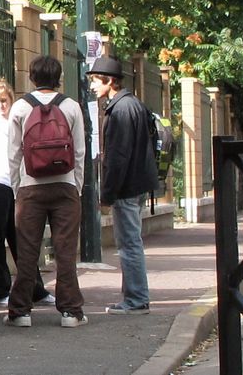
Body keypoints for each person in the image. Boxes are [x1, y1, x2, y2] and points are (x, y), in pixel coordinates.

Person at [3, 55, 87, 328]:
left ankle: (20, 312)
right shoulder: (72, 106)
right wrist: (77, 187)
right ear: (59, 78)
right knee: (65, 251)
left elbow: (13, 153)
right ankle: (71, 312)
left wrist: (18, 188)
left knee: (27, 251)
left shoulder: (19, 107)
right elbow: (80, 152)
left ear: (32, 77)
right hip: (65, 186)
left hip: (30, 188)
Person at [90, 55, 156, 315]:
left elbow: (117, 157)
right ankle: (134, 297)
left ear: (110, 81)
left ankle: (136, 299)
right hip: (137, 185)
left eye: (96, 80)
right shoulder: (132, 104)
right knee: (131, 243)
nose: (93, 86)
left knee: (128, 245)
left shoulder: (120, 110)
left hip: (126, 188)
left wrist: (107, 193)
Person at [0, 78, 53, 309]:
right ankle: (0, 289)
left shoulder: (18, 120)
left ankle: (35, 288)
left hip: (17, 185)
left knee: (22, 238)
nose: (1, 105)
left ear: (11, 100)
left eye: (4, 100)